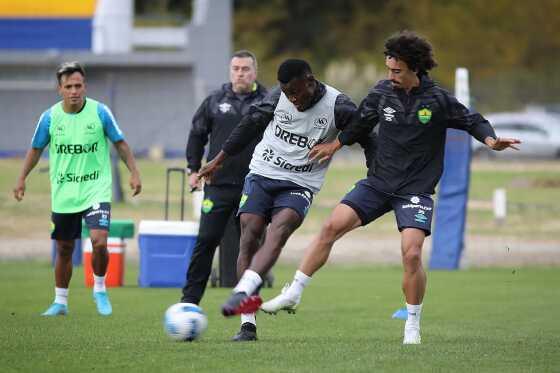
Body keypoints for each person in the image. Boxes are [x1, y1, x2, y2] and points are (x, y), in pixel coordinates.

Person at [260, 31, 521, 344]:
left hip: (415, 191)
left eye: (396, 71)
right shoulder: (382, 92)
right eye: (388, 69)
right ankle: (295, 292)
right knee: (330, 226)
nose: (390, 75)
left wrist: (491, 140)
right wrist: (336, 145)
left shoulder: (438, 100)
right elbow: (360, 122)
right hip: (378, 183)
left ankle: (412, 324)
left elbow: (472, 120)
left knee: (411, 255)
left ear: (415, 68)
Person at [197, 58, 375, 340]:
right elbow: (249, 125)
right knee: (249, 234)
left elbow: (365, 134)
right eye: (287, 92)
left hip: (300, 183)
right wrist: (218, 160)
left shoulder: (337, 105)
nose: (292, 99)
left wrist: (373, 173)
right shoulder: (277, 97)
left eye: (296, 92)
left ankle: (242, 290)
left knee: (278, 231)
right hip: (263, 173)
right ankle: (247, 324)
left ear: (310, 81)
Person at [13, 61, 142, 317]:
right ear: (59, 89)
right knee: (64, 248)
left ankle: (100, 287)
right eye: (69, 86)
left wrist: (134, 172)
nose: (74, 91)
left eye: (78, 85)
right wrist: (21, 178)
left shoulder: (100, 112)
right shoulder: (50, 117)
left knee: (99, 241)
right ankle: (60, 302)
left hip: (96, 188)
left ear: (85, 86)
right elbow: (36, 149)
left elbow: (121, 143)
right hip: (64, 192)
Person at [180, 50, 267, 341]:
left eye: (245, 68)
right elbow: (196, 135)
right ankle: (188, 305)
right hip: (217, 187)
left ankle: (248, 323)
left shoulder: (269, 101)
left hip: (255, 187)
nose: (240, 73)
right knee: (205, 243)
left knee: (248, 251)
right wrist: (194, 169)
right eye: (235, 68)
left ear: (255, 72)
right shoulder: (215, 101)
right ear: (230, 72)